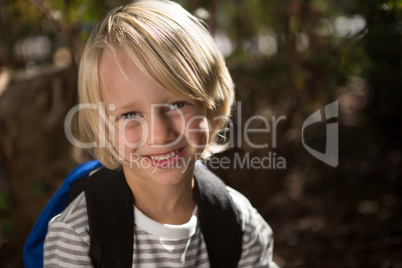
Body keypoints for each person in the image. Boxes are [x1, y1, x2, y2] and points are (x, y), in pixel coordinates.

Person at [43, 0, 279, 267]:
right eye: (130, 115)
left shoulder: (239, 223)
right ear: (104, 128)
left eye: (178, 104)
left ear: (210, 105)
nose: (160, 134)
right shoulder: (77, 237)